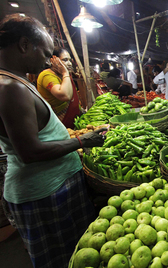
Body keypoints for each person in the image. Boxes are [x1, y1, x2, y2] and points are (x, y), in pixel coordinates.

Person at [0, 14, 106, 268]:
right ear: (24, 45)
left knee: (78, 256)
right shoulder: (10, 88)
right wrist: (82, 142)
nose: (49, 61)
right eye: (46, 53)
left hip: (52, 188)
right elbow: (29, 152)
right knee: (60, 260)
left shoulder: (17, 81)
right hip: (43, 194)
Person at [36, 47, 80, 129]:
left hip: (71, 120)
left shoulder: (64, 75)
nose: (70, 63)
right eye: (65, 60)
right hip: (57, 124)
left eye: (70, 60)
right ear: (53, 60)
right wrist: (65, 73)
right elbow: (65, 96)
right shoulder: (47, 75)